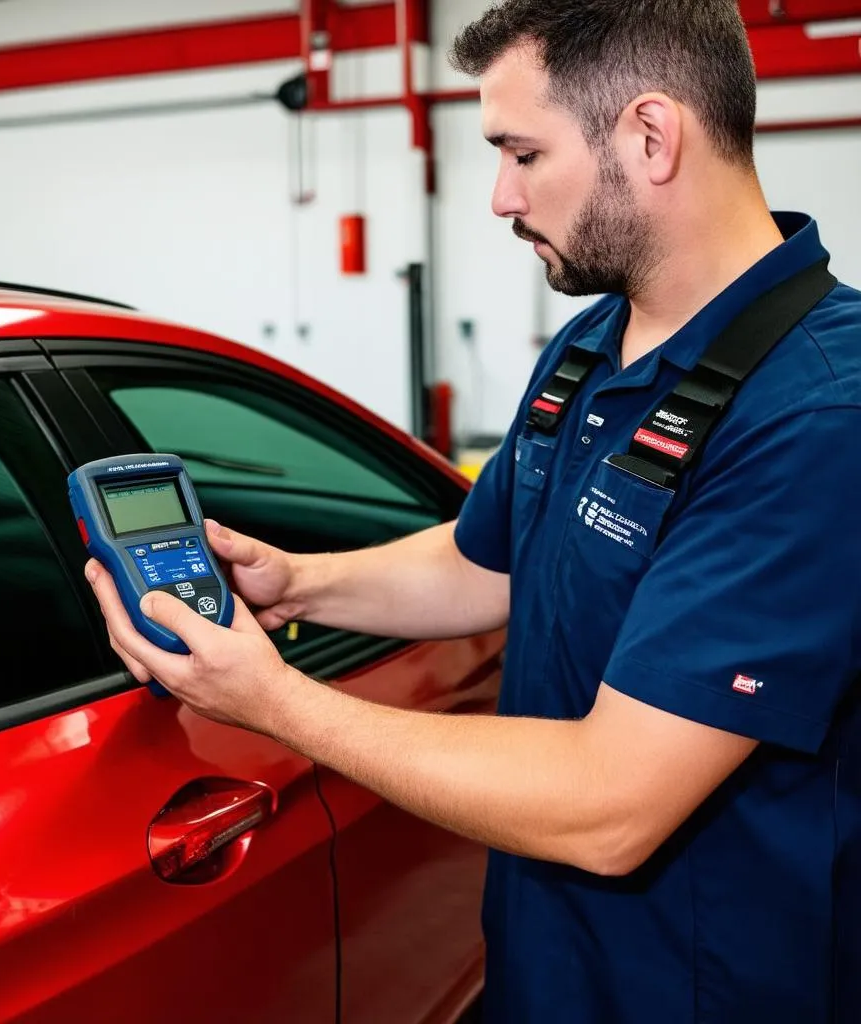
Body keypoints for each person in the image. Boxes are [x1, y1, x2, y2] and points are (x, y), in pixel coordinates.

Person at [85, 1, 861, 1020]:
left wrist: (274, 703)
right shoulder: (590, 345)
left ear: (651, 136)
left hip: (704, 986)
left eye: (522, 153)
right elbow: (483, 560)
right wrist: (302, 581)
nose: (499, 194)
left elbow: (610, 804)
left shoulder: (818, 413)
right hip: (542, 963)